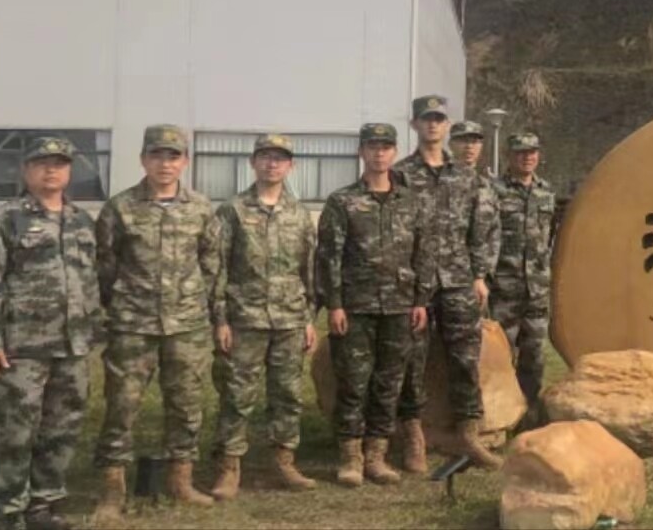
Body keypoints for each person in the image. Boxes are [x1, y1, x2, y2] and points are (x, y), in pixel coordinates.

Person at [92, 124, 223, 517]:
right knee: (122, 406)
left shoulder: (201, 208)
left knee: (186, 405)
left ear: (185, 162)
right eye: (156, 155)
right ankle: (112, 488)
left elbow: (211, 266)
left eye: (173, 156)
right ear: (143, 160)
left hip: (186, 326)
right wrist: (117, 307)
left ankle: (181, 481)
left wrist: (210, 313)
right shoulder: (120, 208)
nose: (165, 164)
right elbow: (104, 266)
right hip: (133, 325)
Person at [0, 136, 102, 530]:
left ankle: (43, 506)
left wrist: (94, 332)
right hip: (22, 347)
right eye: (42, 163)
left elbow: (91, 280)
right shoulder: (4, 220)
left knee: (61, 429)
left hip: (72, 345)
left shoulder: (82, 221)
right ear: (25, 170)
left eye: (59, 164)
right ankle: (8, 510)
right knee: (15, 431)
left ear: (69, 171)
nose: (51, 170)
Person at [315, 122, 432, 487]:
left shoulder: (411, 201)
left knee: (389, 383)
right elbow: (328, 257)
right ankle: (350, 457)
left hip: (400, 307)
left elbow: (423, 253)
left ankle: (376, 455)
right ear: (361, 152)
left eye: (385, 147)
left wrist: (421, 300)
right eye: (372, 147)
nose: (379, 153)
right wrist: (334, 304)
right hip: (356, 307)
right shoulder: (342, 201)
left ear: (394, 152)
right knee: (353, 382)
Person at [209, 133, 319, 498]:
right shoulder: (232, 211)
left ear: (291, 166)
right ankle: (229, 466)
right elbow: (218, 268)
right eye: (265, 156)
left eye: (280, 158)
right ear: (253, 162)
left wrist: (308, 318)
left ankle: (284, 461)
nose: (272, 163)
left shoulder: (299, 214)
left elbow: (309, 270)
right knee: (237, 394)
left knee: (287, 394)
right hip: (245, 318)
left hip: (289, 319)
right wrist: (221, 320)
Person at [396, 95, 501, 471]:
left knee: (465, 357)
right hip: (415, 282)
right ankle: (414, 436)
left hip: (458, 279)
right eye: (426, 119)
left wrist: (479, 275)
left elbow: (482, 228)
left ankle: (469, 433)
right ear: (415, 125)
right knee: (412, 358)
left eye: (439, 119)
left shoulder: (465, 175)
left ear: (446, 126)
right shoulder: (400, 175)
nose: (433, 125)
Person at [490, 131, 559, 416]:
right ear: (509, 156)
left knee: (534, 355)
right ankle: (501, 413)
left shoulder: (546, 193)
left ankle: (529, 413)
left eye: (531, 152)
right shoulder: (495, 192)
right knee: (501, 354)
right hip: (505, 287)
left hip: (537, 289)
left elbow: (550, 237)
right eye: (520, 152)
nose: (527, 157)